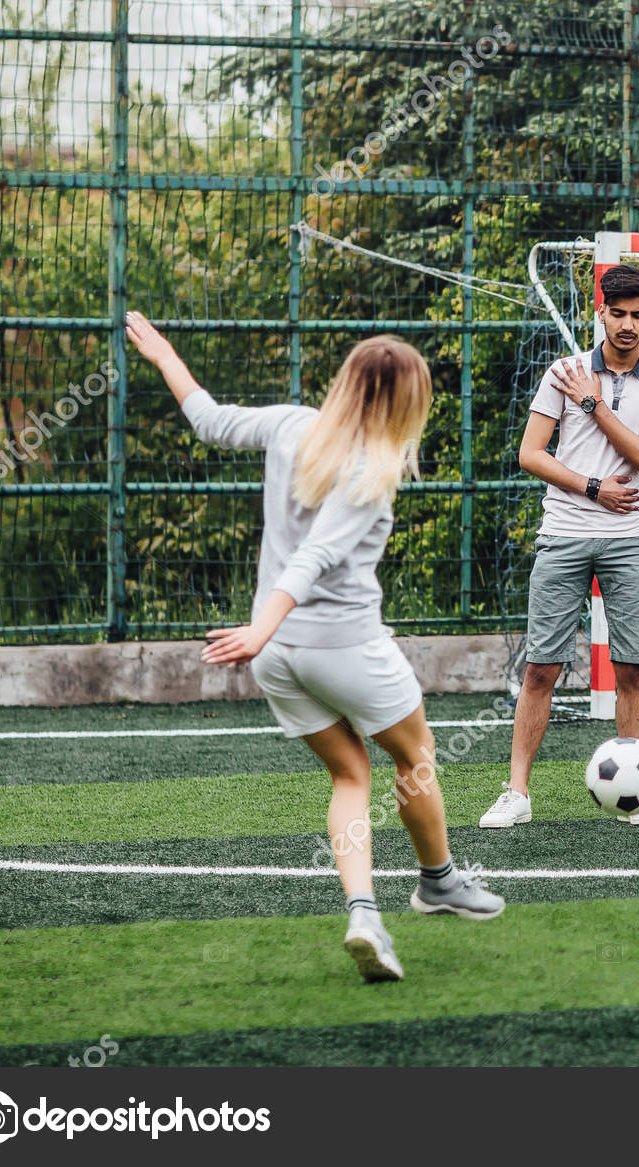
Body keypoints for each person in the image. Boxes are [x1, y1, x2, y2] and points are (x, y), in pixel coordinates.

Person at [124, 312, 502, 986]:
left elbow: (207, 417)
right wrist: (263, 627)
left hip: (278, 658)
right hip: (341, 646)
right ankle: (438, 880)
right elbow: (317, 555)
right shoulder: (372, 468)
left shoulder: (290, 424)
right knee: (416, 757)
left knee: (350, 775)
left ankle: (364, 913)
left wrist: (164, 354)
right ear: (408, 402)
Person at [482, 264, 639, 828]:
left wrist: (595, 405)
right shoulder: (562, 372)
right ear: (601, 313)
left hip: (629, 541)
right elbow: (531, 454)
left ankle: (637, 798)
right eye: (616, 313)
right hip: (563, 534)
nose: (626, 324)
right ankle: (517, 793)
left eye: (637, 315)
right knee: (541, 668)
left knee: (634, 668)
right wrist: (592, 487)